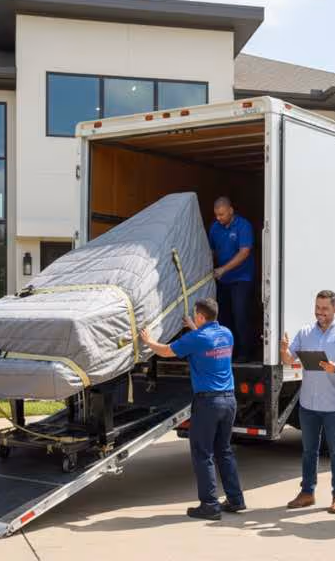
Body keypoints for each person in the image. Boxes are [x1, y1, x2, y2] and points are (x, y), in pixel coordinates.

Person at [140, 298, 245, 520]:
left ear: (200, 316)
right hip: (229, 400)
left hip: (208, 403)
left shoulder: (196, 338)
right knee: (224, 450)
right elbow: (206, 341)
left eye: (195, 315)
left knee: (202, 453)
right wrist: (193, 327)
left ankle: (210, 505)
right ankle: (236, 500)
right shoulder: (226, 334)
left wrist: (149, 341)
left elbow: (166, 351)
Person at [280, 290, 335, 514]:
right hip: (308, 404)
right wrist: (283, 350)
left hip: (334, 404)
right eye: (317, 307)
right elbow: (289, 360)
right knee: (308, 451)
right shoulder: (305, 332)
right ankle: (307, 493)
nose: (320, 312)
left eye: (325, 308)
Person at [208, 196, 255, 361]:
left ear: (231, 210)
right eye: (216, 215)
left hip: (242, 279)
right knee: (223, 317)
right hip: (223, 280)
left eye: (221, 214)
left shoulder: (243, 226)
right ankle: (227, 353)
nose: (218, 218)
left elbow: (245, 252)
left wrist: (223, 269)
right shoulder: (215, 228)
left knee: (240, 314)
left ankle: (245, 353)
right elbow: (211, 251)